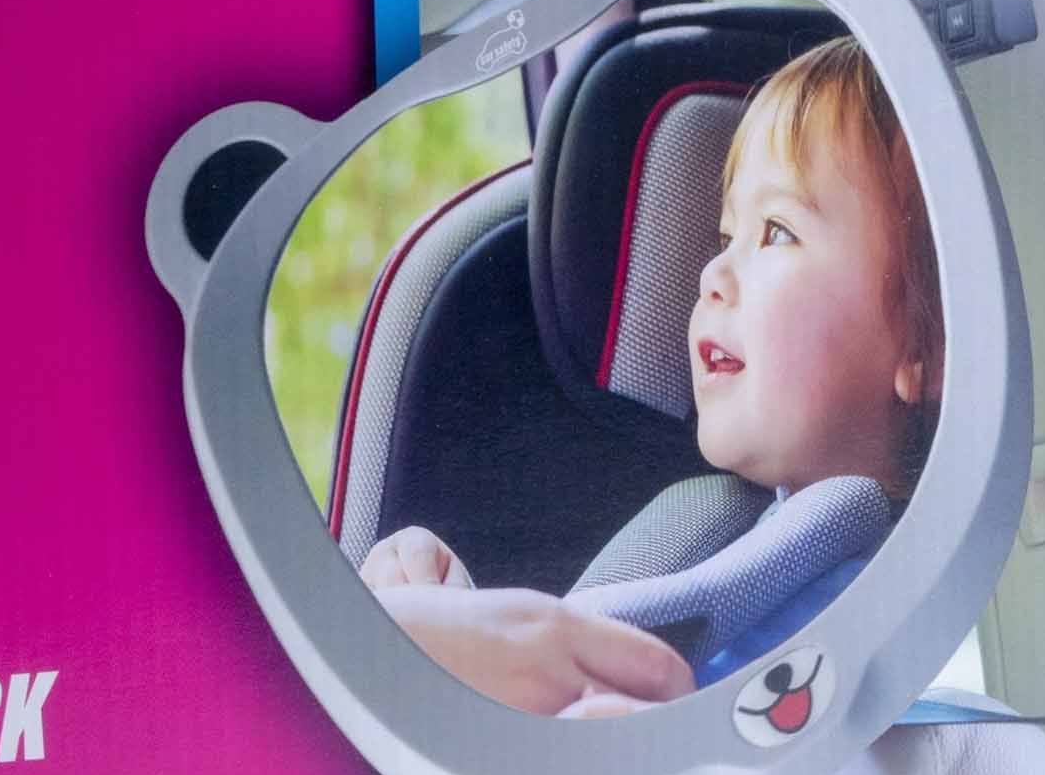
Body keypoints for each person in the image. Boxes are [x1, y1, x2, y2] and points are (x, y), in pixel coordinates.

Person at [363, 37, 944, 714]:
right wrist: (455, 615)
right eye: (727, 237)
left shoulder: (893, 633)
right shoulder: (707, 545)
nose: (713, 273)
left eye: (777, 232)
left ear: (922, 345)